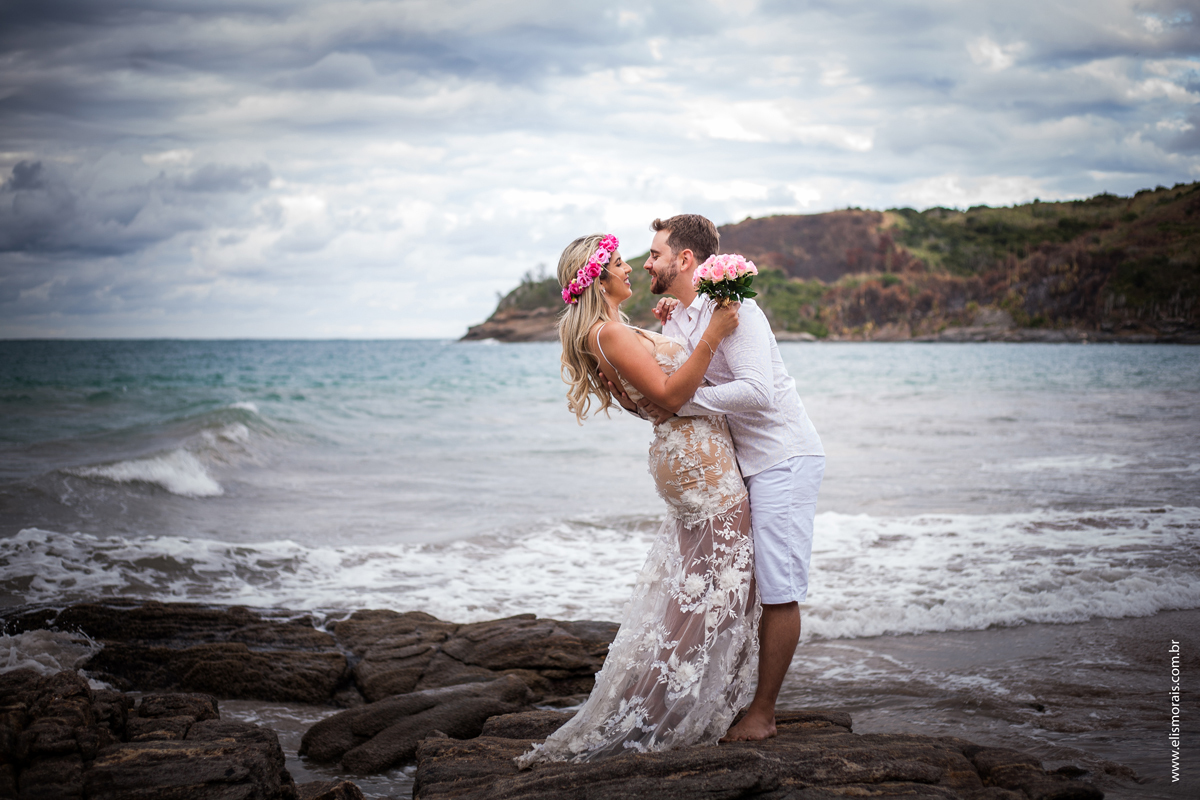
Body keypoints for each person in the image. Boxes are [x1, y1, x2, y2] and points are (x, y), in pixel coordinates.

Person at [516, 232, 759, 766]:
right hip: (699, 462)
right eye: (619, 264)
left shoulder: (610, 333)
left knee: (700, 585)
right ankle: (669, 710)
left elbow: (656, 388)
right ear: (598, 278)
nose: (631, 269)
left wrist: (673, 323)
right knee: (719, 586)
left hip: (686, 456)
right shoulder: (611, 334)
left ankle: (670, 699)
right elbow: (671, 396)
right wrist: (714, 334)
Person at [638, 214, 825, 741]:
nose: (647, 262)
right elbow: (678, 367)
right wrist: (667, 332)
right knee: (746, 585)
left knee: (779, 588)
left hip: (783, 458)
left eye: (654, 254)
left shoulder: (736, 309)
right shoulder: (682, 318)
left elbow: (757, 390)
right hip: (749, 465)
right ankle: (727, 699)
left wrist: (684, 404)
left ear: (685, 259)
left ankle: (763, 714)